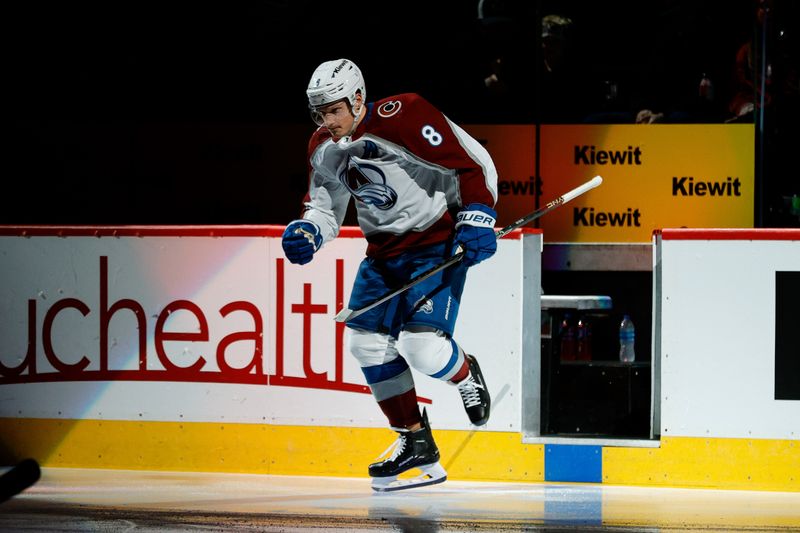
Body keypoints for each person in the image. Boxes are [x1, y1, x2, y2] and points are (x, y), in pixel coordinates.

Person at [281, 58, 499, 492]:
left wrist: (478, 214)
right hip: (382, 257)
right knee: (364, 343)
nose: (326, 122)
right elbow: (324, 208)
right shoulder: (323, 146)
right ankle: (415, 441)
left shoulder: (406, 115)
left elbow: (473, 162)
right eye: (318, 113)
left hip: (432, 247)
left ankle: (464, 374)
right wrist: (308, 229)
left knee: (422, 349)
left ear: (358, 98)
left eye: (334, 110)